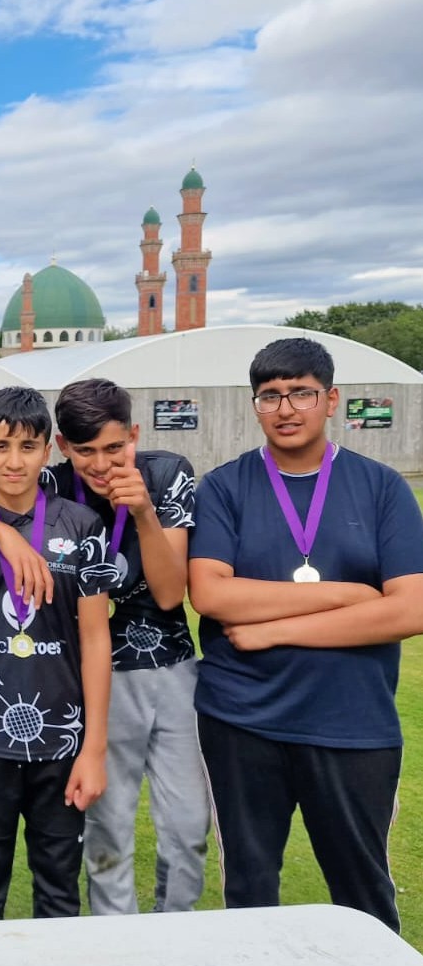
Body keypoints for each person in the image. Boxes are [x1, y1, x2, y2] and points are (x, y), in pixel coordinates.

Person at [0, 377, 207, 914]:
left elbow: (170, 595)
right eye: (86, 452)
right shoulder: (46, 481)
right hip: (32, 703)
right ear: (62, 447)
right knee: (94, 834)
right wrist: (4, 535)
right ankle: (112, 939)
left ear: (133, 435)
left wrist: (146, 513)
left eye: (114, 448)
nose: (102, 464)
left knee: (181, 828)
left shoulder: (162, 475)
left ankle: (174, 937)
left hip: (146, 671)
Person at [188, 337, 423, 932]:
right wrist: (346, 593)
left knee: (363, 890)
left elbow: (409, 610)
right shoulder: (224, 486)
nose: (286, 408)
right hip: (242, 719)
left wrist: (271, 631)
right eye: (271, 396)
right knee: (248, 885)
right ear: (255, 405)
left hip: (351, 723)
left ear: (331, 400)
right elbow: (213, 595)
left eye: (302, 393)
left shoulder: (381, 487)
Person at [0, 385, 112, 921]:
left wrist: (94, 748)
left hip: (62, 739)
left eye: (28, 447)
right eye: (1, 446)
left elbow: (96, 639)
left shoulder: (81, 527)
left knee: (58, 890)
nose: (14, 461)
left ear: (49, 450)